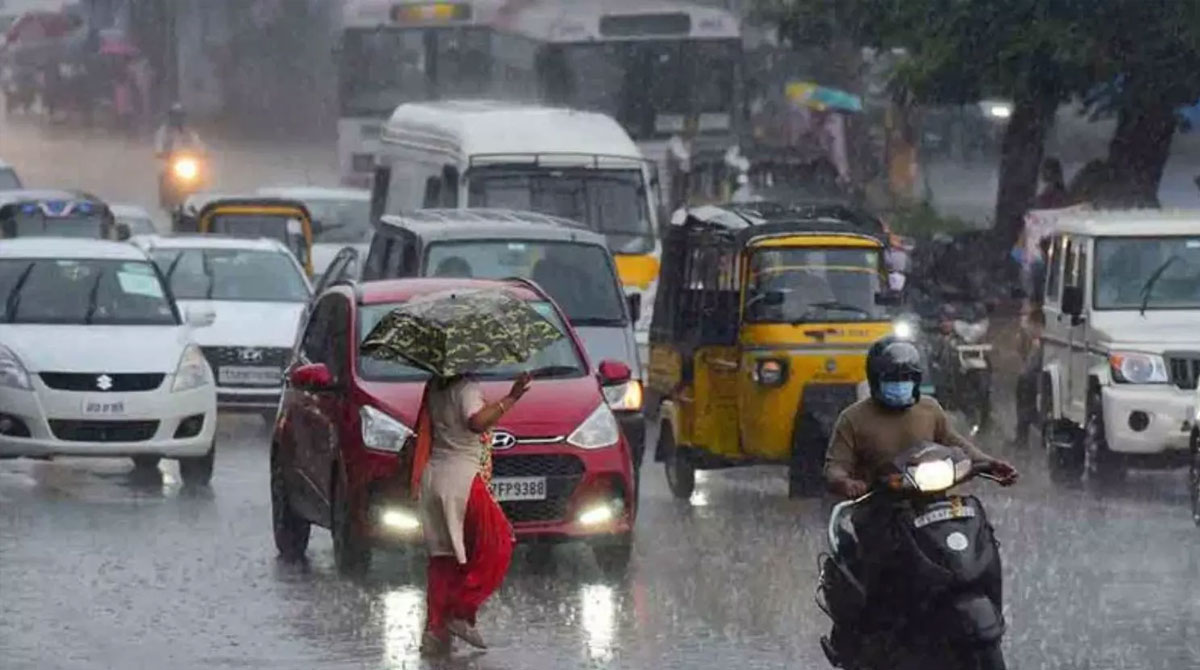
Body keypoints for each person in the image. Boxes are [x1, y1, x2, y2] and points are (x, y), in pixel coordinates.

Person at [416, 370, 532, 656]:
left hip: (434, 478)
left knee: (444, 559)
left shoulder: (434, 386)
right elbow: (477, 422)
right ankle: (460, 610)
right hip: (463, 478)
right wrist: (511, 398)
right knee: (499, 541)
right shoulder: (466, 387)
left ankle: (435, 631)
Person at [1014, 308, 1045, 445]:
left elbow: (1030, 367)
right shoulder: (1033, 341)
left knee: (1027, 407)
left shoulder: (1040, 344)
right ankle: (1022, 435)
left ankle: (1023, 437)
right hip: (1032, 379)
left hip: (1033, 380)